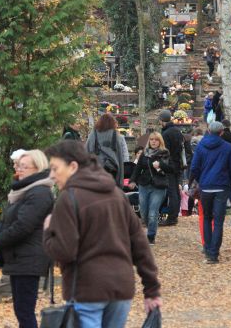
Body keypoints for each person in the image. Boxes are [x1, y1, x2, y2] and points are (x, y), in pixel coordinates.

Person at [43, 140, 162, 327]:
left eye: (55, 168)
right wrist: (152, 290)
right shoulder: (116, 194)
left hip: (87, 290)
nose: (52, 175)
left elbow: (64, 251)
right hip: (120, 287)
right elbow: (140, 245)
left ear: (73, 166)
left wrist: (49, 231)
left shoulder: (69, 198)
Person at [0, 150, 54, 328]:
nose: (19, 170)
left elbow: (23, 226)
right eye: (19, 166)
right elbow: (8, 219)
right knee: (21, 310)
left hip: (29, 258)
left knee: (25, 311)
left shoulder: (39, 192)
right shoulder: (23, 190)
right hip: (20, 257)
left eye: (24, 167)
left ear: (37, 168)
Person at [189, 122, 231, 264]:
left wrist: (199, 181)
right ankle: (214, 254)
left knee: (207, 218)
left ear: (209, 131)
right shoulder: (227, 147)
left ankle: (207, 248)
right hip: (222, 187)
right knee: (218, 221)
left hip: (206, 187)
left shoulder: (201, 146)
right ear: (221, 132)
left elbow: (194, 167)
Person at [129, 132, 173, 244]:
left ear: (160, 141)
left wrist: (160, 165)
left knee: (153, 212)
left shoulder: (165, 153)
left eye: (156, 139)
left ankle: (151, 236)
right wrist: (132, 180)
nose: (153, 141)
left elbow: (171, 169)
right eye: (152, 139)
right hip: (144, 185)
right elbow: (138, 168)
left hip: (159, 186)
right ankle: (151, 227)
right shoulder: (144, 153)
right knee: (143, 212)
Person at [86, 113, 128, 187]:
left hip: (96, 169)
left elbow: (86, 152)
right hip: (111, 170)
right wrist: (120, 180)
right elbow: (120, 156)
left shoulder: (93, 134)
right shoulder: (116, 135)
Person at [159, 109, 185, 226]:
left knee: (172, 192)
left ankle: (172, 218)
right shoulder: (178, 131)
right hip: (179, 164)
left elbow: (165, 152)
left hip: (170, 165)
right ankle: (174, 216)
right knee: (176, 191)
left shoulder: (165, 134)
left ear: (162, 120)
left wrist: (162, 166)